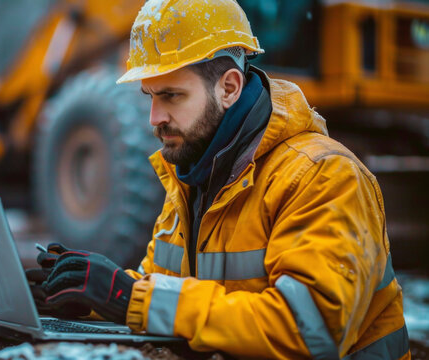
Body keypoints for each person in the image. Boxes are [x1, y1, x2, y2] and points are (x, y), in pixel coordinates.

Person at [26, 0, 409, 358]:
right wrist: (89, 297)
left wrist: (130, 298)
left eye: (172, 96)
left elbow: (313, 330)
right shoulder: (193, 178)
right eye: (151, 96)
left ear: (228, 88)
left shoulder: (321, 176)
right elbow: (165, 295)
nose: (154, 117)